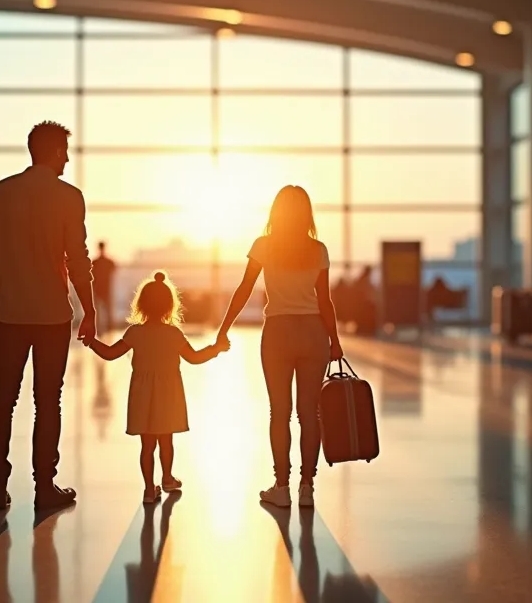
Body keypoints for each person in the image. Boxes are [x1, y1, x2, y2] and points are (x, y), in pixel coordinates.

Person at [0, 120, 96, 512]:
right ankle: (45, 487)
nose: (68, 159)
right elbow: (78, 261)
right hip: (52, 317)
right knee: (48, 402)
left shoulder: (1, 192)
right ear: (56, 152)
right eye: (66, 152)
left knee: (2, 400)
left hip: (9, 315)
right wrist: (88, 310)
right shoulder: (69, 197)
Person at [215, 185, 343, 509]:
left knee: (280, 413)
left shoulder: (263, 246)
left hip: (278, 334)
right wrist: (336, 341)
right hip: (314, 333)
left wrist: (224, 328)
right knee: (310, 414)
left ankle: (282, 487)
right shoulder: (318, 250)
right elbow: (325, 301)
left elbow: (244, 289)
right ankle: (307, 488)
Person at [82, 272, 227, 504]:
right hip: (169, 394)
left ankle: (149, 489)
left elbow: (110, 354)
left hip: (142, 395)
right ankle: (168, 478)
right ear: (170, 305)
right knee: (166, 441)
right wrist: (216, 349)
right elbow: (195, 358)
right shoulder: (174, 334)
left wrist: (91, 342)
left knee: (147, 445)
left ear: (141, 305)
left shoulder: (134, 333)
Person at [91, 242, 117, 331]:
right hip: (104, 288)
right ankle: (109, 329)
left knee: (99, 311)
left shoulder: (95, 262)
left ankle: (99, 329)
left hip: (99, 288)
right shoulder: (108, 262)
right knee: (106, 311)